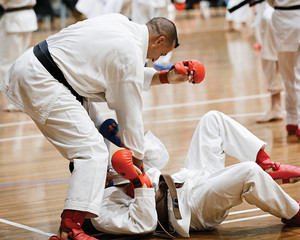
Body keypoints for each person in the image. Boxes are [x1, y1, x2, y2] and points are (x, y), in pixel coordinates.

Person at [0, 13, 198, 240]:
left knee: (99, 135)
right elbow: (130, 114)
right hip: (44, 81)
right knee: (92, 151)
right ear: (159, 40)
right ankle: (70, 229)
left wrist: (165, 77)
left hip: (47, 73)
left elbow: (125, 74)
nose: (155, 59)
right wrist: (137, 168)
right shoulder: (129, 51)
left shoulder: (120, 23)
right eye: (161, 54)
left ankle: (86, 210)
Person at [88, 110, 300, 238]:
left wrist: (124, 141)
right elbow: (144, 225)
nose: (106, 173)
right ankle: (294, 213)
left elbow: (159, 156)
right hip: (189, 211)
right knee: (248, 173)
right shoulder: (100, 211)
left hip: (188, 180)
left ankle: (267, 164)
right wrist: (138, 183)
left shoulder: (116, 170)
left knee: (212, 119)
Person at [267, 0, 300, 138]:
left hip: (283, 17)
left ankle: (293, 118)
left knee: (288, 74)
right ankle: (294, 119)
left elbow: (270, 1)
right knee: (296, 75)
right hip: (285, 15)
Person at [0, 0, 38, 111]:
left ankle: (15, 100)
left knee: (6, 62)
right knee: (20, 62)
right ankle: (21, 99)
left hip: (15, 20)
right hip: (25, 18)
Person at [254, 1, 284, 123]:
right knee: (271, 57)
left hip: (275, 11)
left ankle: (276, 107)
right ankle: (276, 107)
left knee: (271, 58)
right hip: (272, 10)